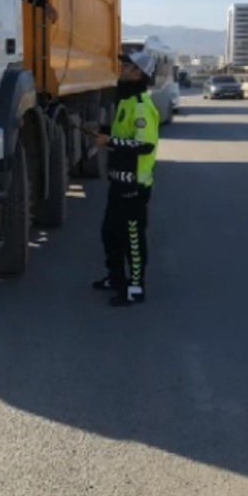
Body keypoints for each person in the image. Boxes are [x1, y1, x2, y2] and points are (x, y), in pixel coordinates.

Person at [92, 50, 160, 306]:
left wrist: (109, 141)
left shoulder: (143, 106)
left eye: (128, 66)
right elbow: (125, 135)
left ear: (138, 73)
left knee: (132, 238)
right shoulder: (126, 102)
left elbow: (144, 146)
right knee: (110, 233)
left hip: (134, 186)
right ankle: (115, 277)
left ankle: (135, 288)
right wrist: (104, 132)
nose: (122, 69)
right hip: (118, 183)